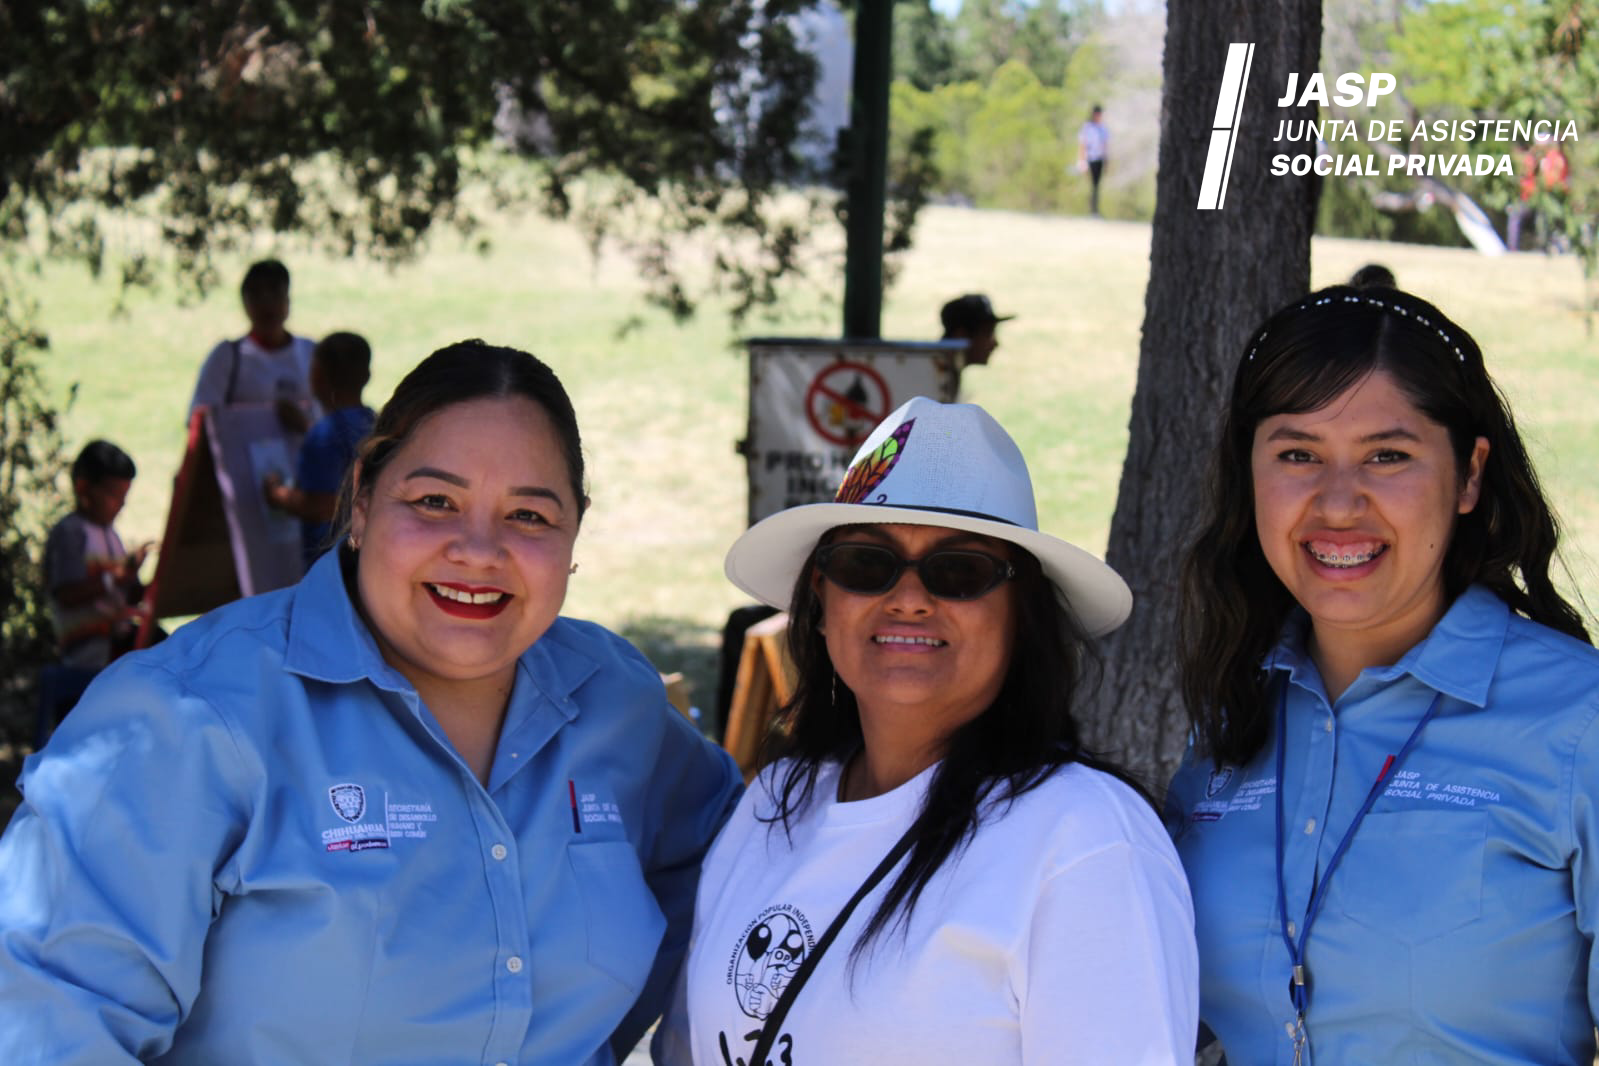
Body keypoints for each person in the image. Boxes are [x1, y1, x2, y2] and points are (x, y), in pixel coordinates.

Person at [0, 341, 743, 1065]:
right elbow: (49, 1022)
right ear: (360, 499)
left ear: (574, 532)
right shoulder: (186, 719)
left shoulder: (617, 701)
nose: (478, 550)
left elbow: (750, 876)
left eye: (529, 516)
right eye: (434, 501)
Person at [656, 397, 1198, 1064]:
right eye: (864, 563)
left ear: (1020, 616)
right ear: (820, 603)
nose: (908, 597)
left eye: (959, 571)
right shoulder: (771, 802)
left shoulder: (1084, 841)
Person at [1167, 285, 1599, 1063]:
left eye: (1386, 456)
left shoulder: (1579, 722)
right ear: (1249, 473)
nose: (1337, 504)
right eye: (1297, 454)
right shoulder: (1228, 721)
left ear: (1468, 476)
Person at [264, 330, 378, 570]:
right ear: (367, 376)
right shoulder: (377, 424)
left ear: (316, 376)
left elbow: (322, 507)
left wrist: (276, 494)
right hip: (369, 560)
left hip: (332, 568)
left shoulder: (323, 436)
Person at [43, 439, 151, 671]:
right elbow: (66, 594)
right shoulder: (70, 532)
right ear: (83, 488)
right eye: (114, 495)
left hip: (119, 641)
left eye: (124, 496)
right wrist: (114, 579)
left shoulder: (112, 534)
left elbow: (129, 595)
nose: (121, 504)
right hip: (89, 651)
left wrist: (136, 578)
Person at [188, 258, 317, 433]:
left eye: (274, 292)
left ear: (288, 298)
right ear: (245, 302)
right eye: (256, 294)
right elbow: (200, 421)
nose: (266, 303)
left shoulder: (311, 353)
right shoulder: (226, 357)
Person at [939, 292, 1013, 369]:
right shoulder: (933, 377)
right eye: (987, 334)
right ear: (961, 335)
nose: (995, 344)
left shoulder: (941, 373)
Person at [1076, 104, 1108, 217]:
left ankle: (1094, 210)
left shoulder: (1103, 129)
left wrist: (1106, 161)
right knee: (1088, 185)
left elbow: (1105, 146)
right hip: (1089, 158)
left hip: (1099, 159)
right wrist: (1082, 160)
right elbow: (1083, 144)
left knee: (1096, 185)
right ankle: (1086, 209)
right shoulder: (1087, 127)